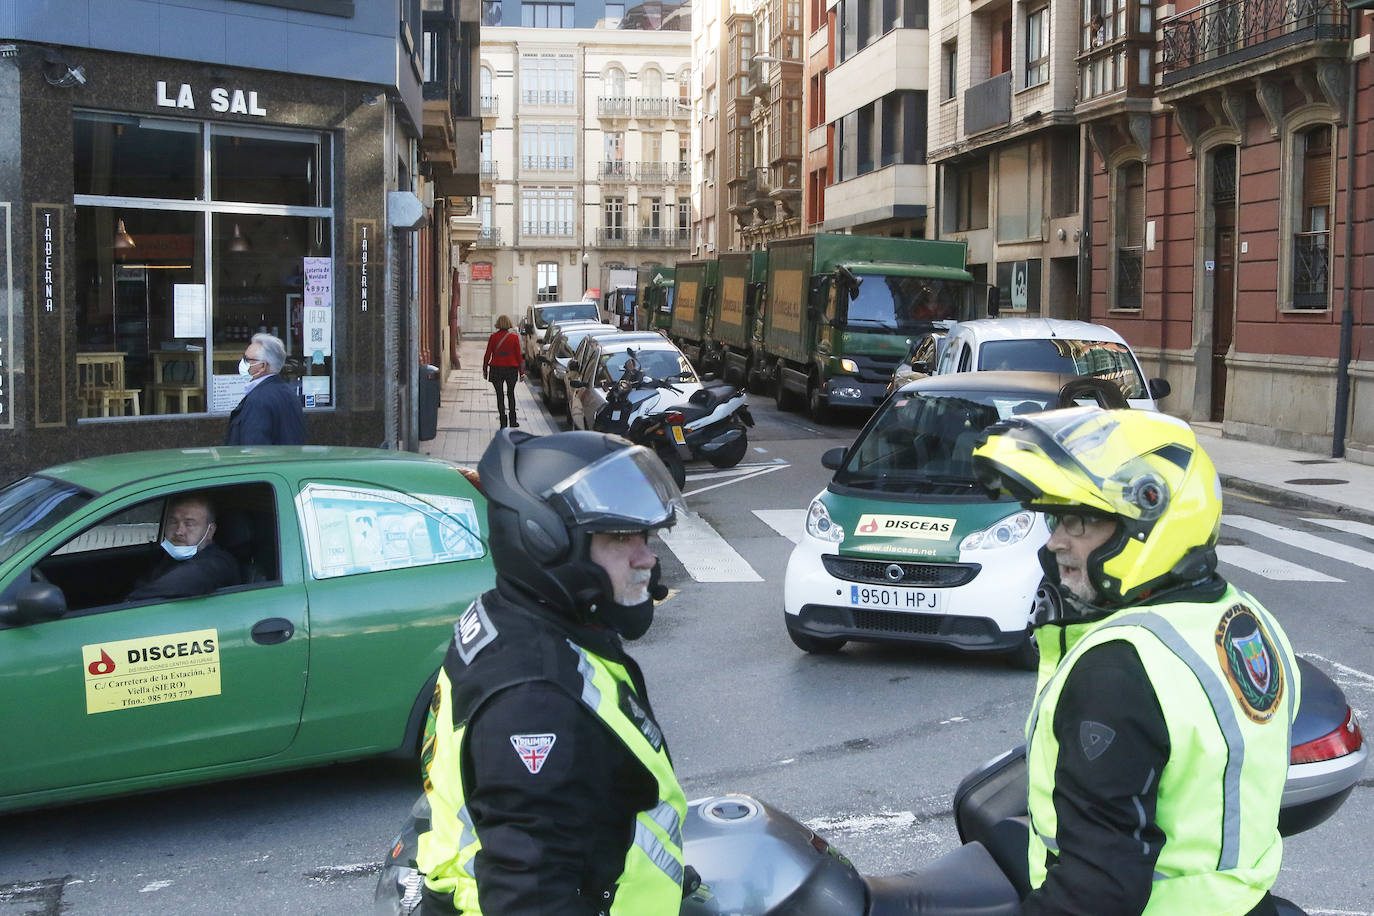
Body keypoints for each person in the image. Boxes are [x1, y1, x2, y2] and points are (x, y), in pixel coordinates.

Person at [970, 407, 1301, 916]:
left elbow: (1097, 892)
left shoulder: (1121, 666)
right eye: (1055, 518)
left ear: (1148, 523)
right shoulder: (1241, 618)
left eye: (1079, 521)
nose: (1056, 540)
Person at [416, 429, 689, 915]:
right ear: (545, 544)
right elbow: (531, 894)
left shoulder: (516, 616)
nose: (647, 557)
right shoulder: (534, 701)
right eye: (620, 537)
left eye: (644, 536)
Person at [126, 493, 240, 601]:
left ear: (209, 531)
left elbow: (183, 581)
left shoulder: (217, 564)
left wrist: (129, 603)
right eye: (173, 522)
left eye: (189, 524)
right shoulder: (167, 556)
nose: (179, 532)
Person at [224, 333, 305, 446]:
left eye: (248, 359)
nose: (243, 363)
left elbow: (254, 449)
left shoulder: (258, 400)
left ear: (262, 366)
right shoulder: (288, 393)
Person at [483, 315, 524, 429]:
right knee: (510, 394)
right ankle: (513, 420)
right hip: (511, 369)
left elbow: (487, 354)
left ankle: (503, 421)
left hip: (496, 369)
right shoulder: (514, 338)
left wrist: (485, 369)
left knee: (499, 396)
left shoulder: (493, 337)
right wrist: (521, 372)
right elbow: (519, 356)